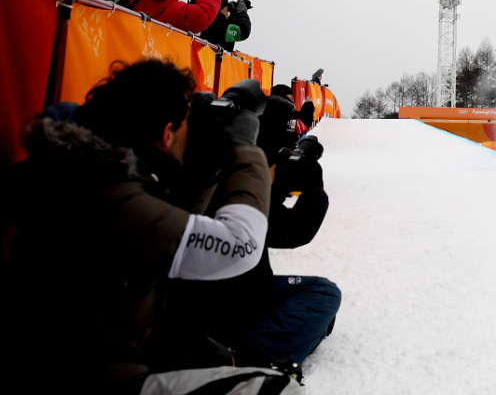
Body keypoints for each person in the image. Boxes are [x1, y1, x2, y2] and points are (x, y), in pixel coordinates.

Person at [0, 60, 296, 394]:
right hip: (82, 372)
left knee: (212, 353)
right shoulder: (105, 193)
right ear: (166, 132)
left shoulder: (82, 169)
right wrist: (244, 149)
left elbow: (166, 230)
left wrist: (207, 168)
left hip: (81, 352)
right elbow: (239, 247)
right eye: (185, 126)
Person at [163, 96, 340, 372]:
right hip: (228, 302)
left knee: (319, 293)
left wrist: (275, 186)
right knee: (324, 295)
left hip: (217, 293)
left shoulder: (205, 170)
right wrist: (314, 188)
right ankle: (247, 358)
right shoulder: (235, 181)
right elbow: (293, 230)